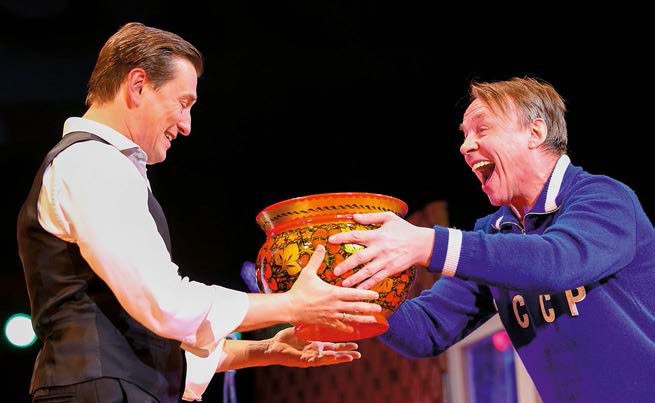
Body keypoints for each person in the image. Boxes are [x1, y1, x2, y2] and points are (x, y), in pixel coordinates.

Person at [17, 22, 382, 402]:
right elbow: (166, 304)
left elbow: (143, 341)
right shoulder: (92, 163)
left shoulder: (102, 165)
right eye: (183, 103)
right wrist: (291, 305)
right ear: (138, 85)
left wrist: (265, 350)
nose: (187, 125)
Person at [329, 77, 655, 402]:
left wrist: (427, 244)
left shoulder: (605, 199)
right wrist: (355, 288)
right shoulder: (492, 234)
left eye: (482, 129)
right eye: (464, 134)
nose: (465, 146)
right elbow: (426, 330)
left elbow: (556, 262)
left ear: (535, 132)